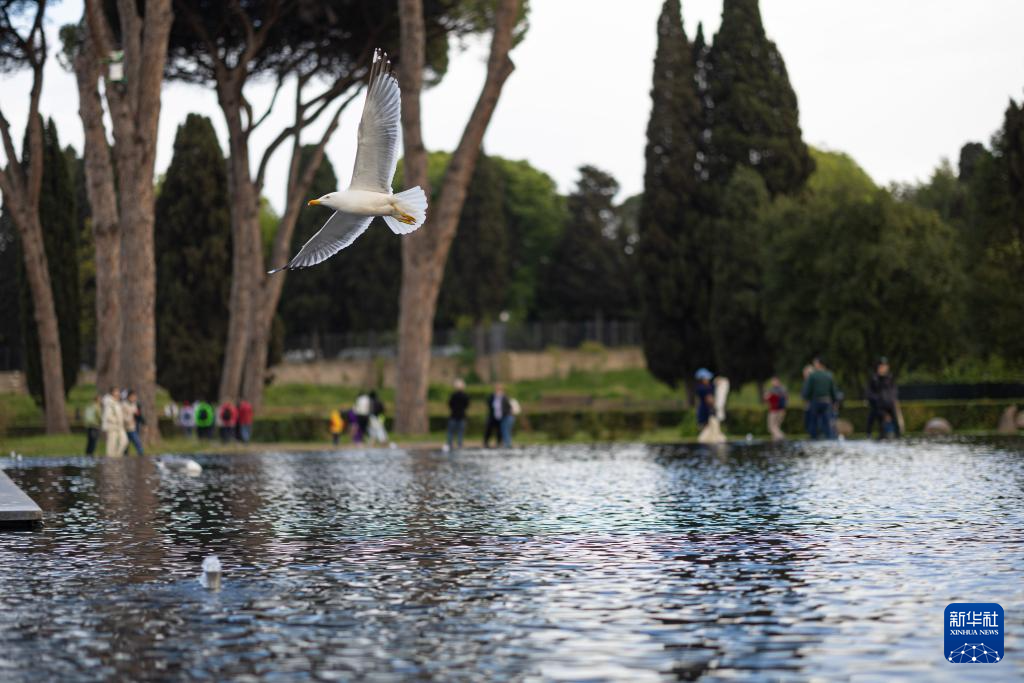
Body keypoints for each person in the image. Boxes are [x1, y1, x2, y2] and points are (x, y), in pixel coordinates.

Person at [801, 357, 839, 439]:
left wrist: (805, 398)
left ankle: (814, 439)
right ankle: (829, 439)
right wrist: (835, 401)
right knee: (827, 422)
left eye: (815, 364)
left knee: (813, 422)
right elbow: (833, 390)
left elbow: (808, 391)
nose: (814, 365)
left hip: (815, 402)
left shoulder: (813, 376)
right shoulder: (829, 375)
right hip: (827, 402)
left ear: (819, 364)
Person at [865, 357, 900, 439]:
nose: (883, 368)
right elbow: (869, 392)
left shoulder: (890, 378)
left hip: (889, 403)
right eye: (881, 366)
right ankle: (871, 435)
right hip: (878, 405)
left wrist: (892, 398)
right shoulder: (874, 378)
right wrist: (875, 399)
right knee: (874, 419)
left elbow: (894, 390)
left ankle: (896, 436)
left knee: (895, 422)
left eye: (885, 366)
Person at [101, 386, 127, 457]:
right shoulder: (109, 402)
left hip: (120, 426)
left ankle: (117, 456)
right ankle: (111, 458)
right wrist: (116, 421)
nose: (118, 393)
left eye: (118, 391)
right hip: (112, 426)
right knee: (112, 443)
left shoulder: (117, 401)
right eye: (116, 391)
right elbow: (107, 415)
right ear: (112, 392)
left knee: (124, 441)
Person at [484, 383, 511, 448]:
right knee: (489, 429)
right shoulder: (492, 396)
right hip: (492, 416)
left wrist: (505, 413)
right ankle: (486, 442)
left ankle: (499, 443)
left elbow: (508, 406)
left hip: (501, 416)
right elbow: (488, 403)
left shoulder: (504, 397)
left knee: (499, 431)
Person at [446, 379, 470, 450]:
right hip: (461, 416)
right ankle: (459, 444)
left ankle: (450, 444)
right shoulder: (465, 396)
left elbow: (450, 404)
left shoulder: (453, 395)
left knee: (451, 432)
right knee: (460, 432)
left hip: (453, 415)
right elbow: (467, 405)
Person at [763, 376, 788, 441]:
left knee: (772, 427)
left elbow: (767, 398)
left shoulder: (773, 390)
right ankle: (775, 440)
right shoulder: (783, 389)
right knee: (776, 427)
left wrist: (767, 394)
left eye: (773, 381)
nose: (772, 383)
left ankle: (781, 437)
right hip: (782, 410)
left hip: (775, 411)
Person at [123, 390, 144, 455]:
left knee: (138, 443)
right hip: (125, 428)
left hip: (133, 427)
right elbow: (122, 416)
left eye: (135, 397)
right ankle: (125, 458)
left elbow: (137, 415)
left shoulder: (134, 404)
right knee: (126, 445)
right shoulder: (124, 405)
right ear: (128, 397)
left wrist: (143, 422)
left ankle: (141, 457)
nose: (134, 398)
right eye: (132, 397)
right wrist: (129, 420)